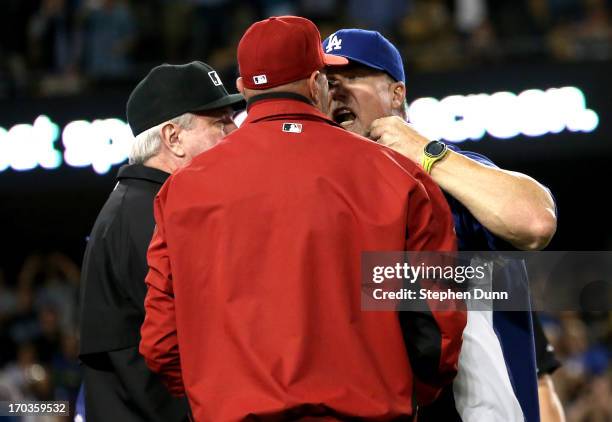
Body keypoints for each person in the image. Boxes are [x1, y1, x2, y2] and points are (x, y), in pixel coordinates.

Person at [139, 15, 466, 422]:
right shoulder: (398, 176)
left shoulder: (180, 190)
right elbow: (436, 326)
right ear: (316, 83)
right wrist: (409, 393)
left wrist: (216, 396)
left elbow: (161, 342)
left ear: (242, 89)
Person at [323, 29, 562, 422]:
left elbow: (534, 220)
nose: (336, 91)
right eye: (327, 82)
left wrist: (426, 151)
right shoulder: (333, 200)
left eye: (353, 77)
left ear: (397, 94)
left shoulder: (449, 178)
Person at [78, 61, 244, 422]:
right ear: (172, 138)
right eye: (221, 122)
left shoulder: (138, 204)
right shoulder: (145, 214)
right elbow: (184, 345)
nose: (235, 132)